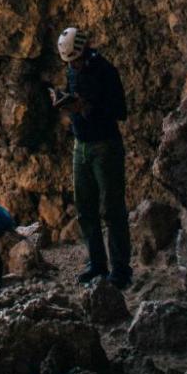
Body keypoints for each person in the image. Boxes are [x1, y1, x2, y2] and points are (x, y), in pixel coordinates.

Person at [49, 25, 132, 288]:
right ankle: (97, 265)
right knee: (85, 209)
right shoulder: (72, 70)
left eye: (76, 60)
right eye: (69, 62)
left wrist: (86, 108)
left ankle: (120, 271)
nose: (73, 65)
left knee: (112, 209)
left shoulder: (105, 71)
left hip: (105, 145)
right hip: (81, 145)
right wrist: (64, 101)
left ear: (84, 51)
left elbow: (120, 111)